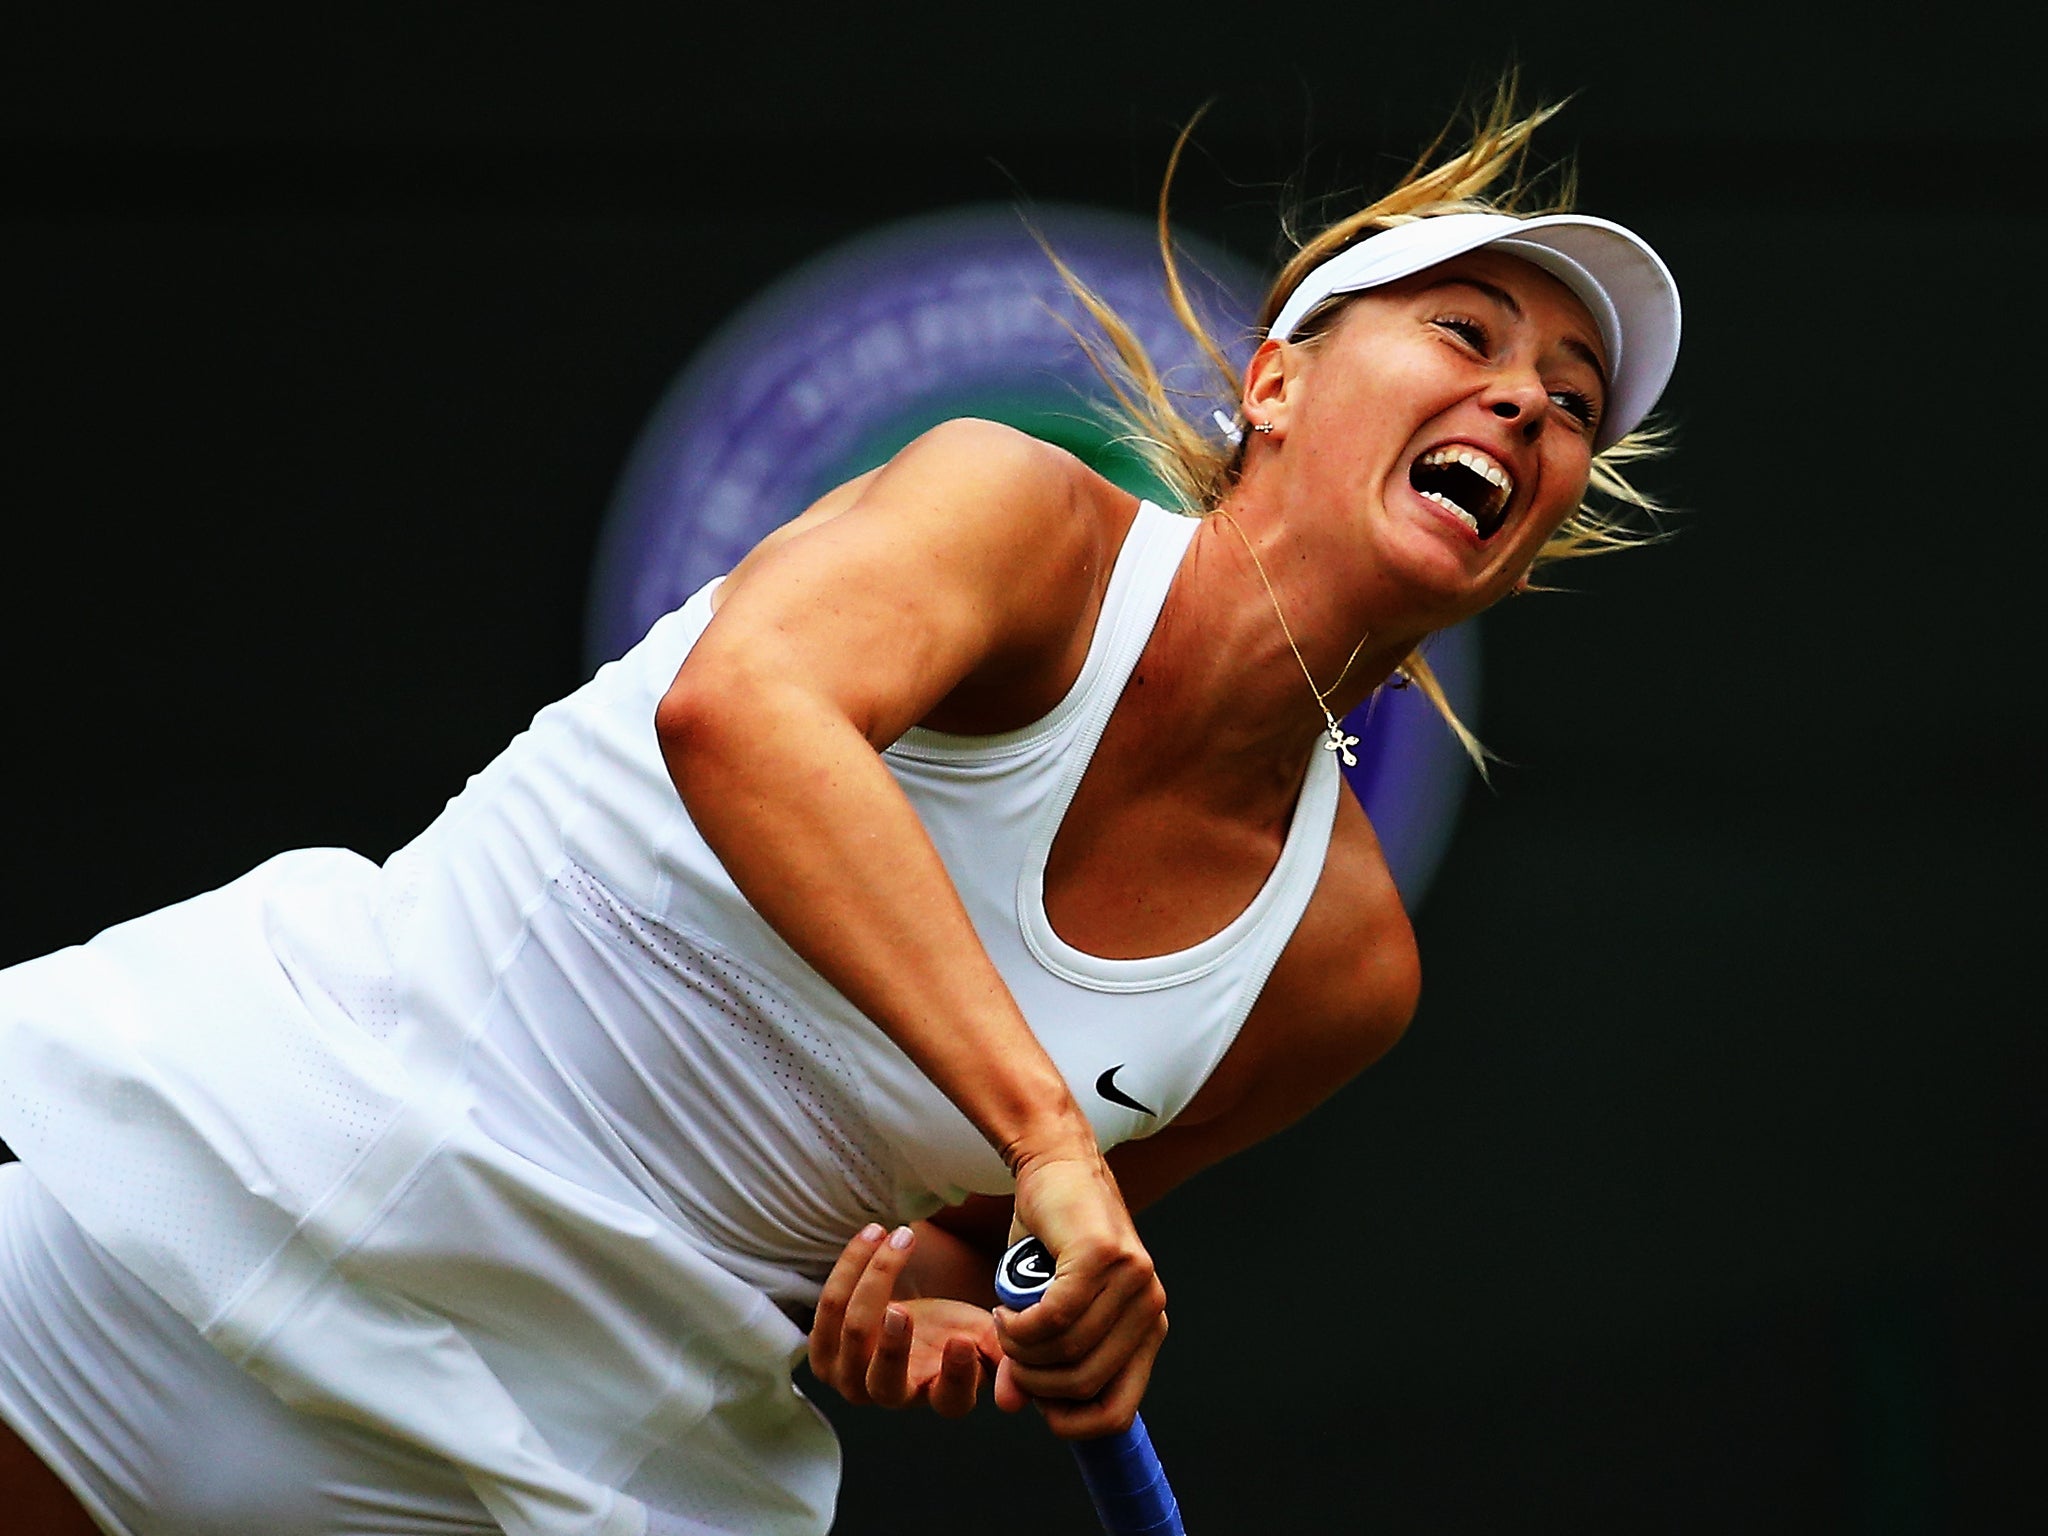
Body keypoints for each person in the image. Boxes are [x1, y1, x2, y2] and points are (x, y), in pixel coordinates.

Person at [0, 92, 1678, 1536]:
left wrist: (971, 1324)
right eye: (1465, 336)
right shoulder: (1015, 512)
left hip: (589, 1459)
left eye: (1576, 401)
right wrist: (1044, 1142)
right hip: (234, 1178)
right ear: (1275, 386)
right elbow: (744, 716)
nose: (1528, 403)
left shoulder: (1341, 964)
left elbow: (973, 1256)